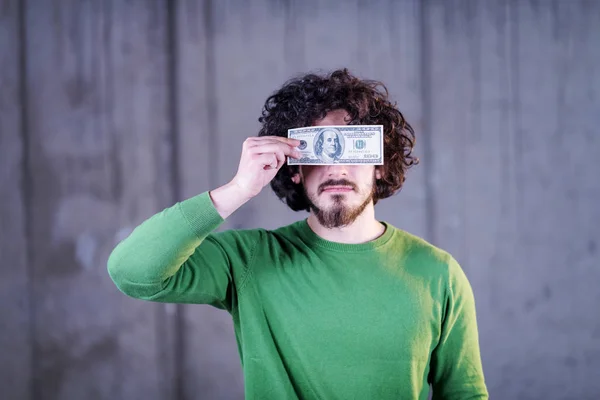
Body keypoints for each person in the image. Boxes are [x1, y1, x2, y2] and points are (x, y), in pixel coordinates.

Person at [107, 69, 488, 399]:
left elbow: (464, 393)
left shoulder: (438, 273)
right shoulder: (249, 259)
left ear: (379, 165)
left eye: (352, 147)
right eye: (318, 150)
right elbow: (133, 271)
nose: (336, 167)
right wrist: (238, 189)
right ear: (293, 168)